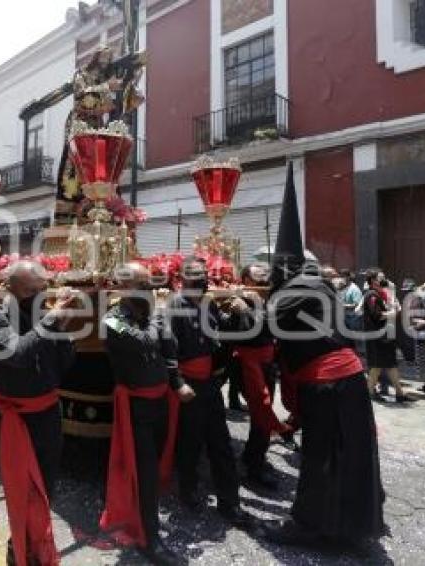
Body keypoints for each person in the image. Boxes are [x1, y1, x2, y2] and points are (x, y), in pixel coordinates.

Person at [269, 163, 384, 545]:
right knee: (353, 451)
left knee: (320, 457)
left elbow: (266, 327)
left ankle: (308, 526)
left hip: (327, 383)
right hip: (349, 378)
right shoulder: (320, 284)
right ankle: (358, 524)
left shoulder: (293, 290)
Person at [0, 261, 76, 566]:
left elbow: (65, 366)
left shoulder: (44, 316)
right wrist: (50, 322)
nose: (39, 295)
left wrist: (60, 329)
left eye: (42, 288)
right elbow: (17, 354)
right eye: (31, 290)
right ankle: (18, 550)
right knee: (21, 490)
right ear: (11, 289)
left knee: (46, 487)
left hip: (47, 414)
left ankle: (32, 544)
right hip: (14, 419)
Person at [99, 262, 193, 566]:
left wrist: (177, 382)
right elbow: (148, 342)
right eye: (144, 287)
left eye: (151, 286)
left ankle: (148, 522)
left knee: (160, 464)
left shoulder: (151, 313)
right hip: (136, 407)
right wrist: (158, 314)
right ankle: (149, 539)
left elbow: (170, 347)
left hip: (159, 400)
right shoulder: (112, 319)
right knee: (146, 472)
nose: (151, 291)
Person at [168, 257, 253, 528]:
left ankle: (230, 502)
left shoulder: (209, 305)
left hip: (210, 384)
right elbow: (167, 349)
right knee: (190, 443)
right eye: (194, 275)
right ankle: (188, 490)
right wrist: (178, 382)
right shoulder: (174, 306)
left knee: (221, 443)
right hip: (188, 384)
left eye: (204, 275)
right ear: (182, 278)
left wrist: (240, 313)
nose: (201, 280)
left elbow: (223, 334)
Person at [229, 262, 293, 489]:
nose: (264, 280)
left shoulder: (269, 299)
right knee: (260, 414)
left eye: (266, 277)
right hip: (247, 362)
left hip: (268, 362)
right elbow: (249, 331)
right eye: (258, 278)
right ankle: (254, 466)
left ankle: (253, 456)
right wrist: (246, 310)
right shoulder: (236, 300)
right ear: (246, 280)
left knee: (262, 415)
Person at [362, 269, 409, 403]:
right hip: (378, 336)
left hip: (384, 335)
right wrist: (392, 313)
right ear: (373, 280)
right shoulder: (372, 295)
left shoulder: (379, 294)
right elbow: (377, 315)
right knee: (378, 365)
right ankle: (370, 392)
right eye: (380, 277)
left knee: (390, 364)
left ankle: (399, 393)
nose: (383, 280)